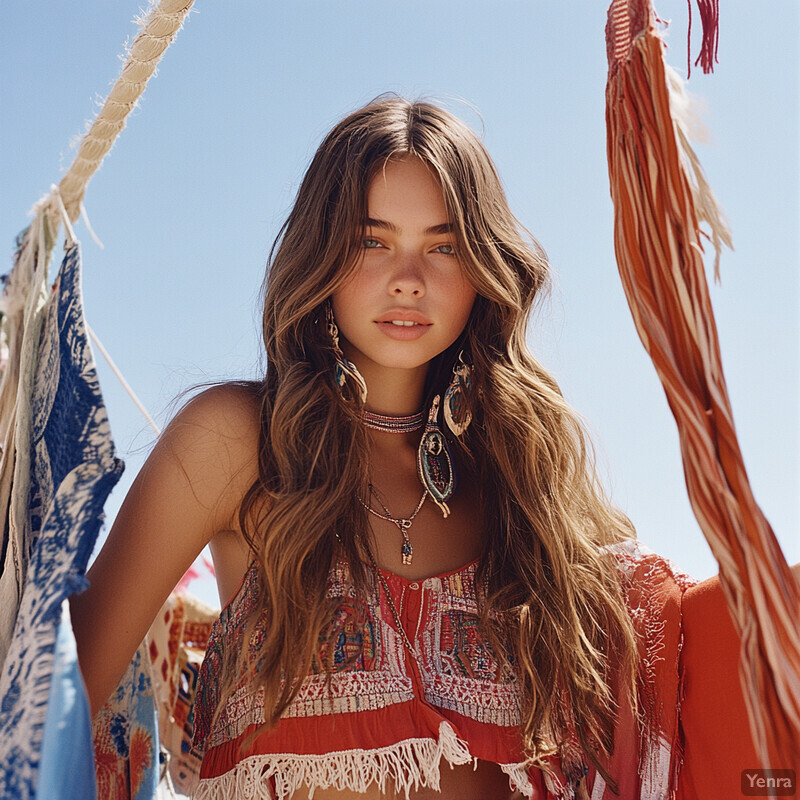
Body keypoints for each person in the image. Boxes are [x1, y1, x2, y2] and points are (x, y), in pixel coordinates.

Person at [70, 96, 794, 800]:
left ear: (484, 267)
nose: (408, 280)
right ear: (322, 252)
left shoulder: (519, 482)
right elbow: (58, 702)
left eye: (443, 246)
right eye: (372, 241)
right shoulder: (240, 442)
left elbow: (676, 666)